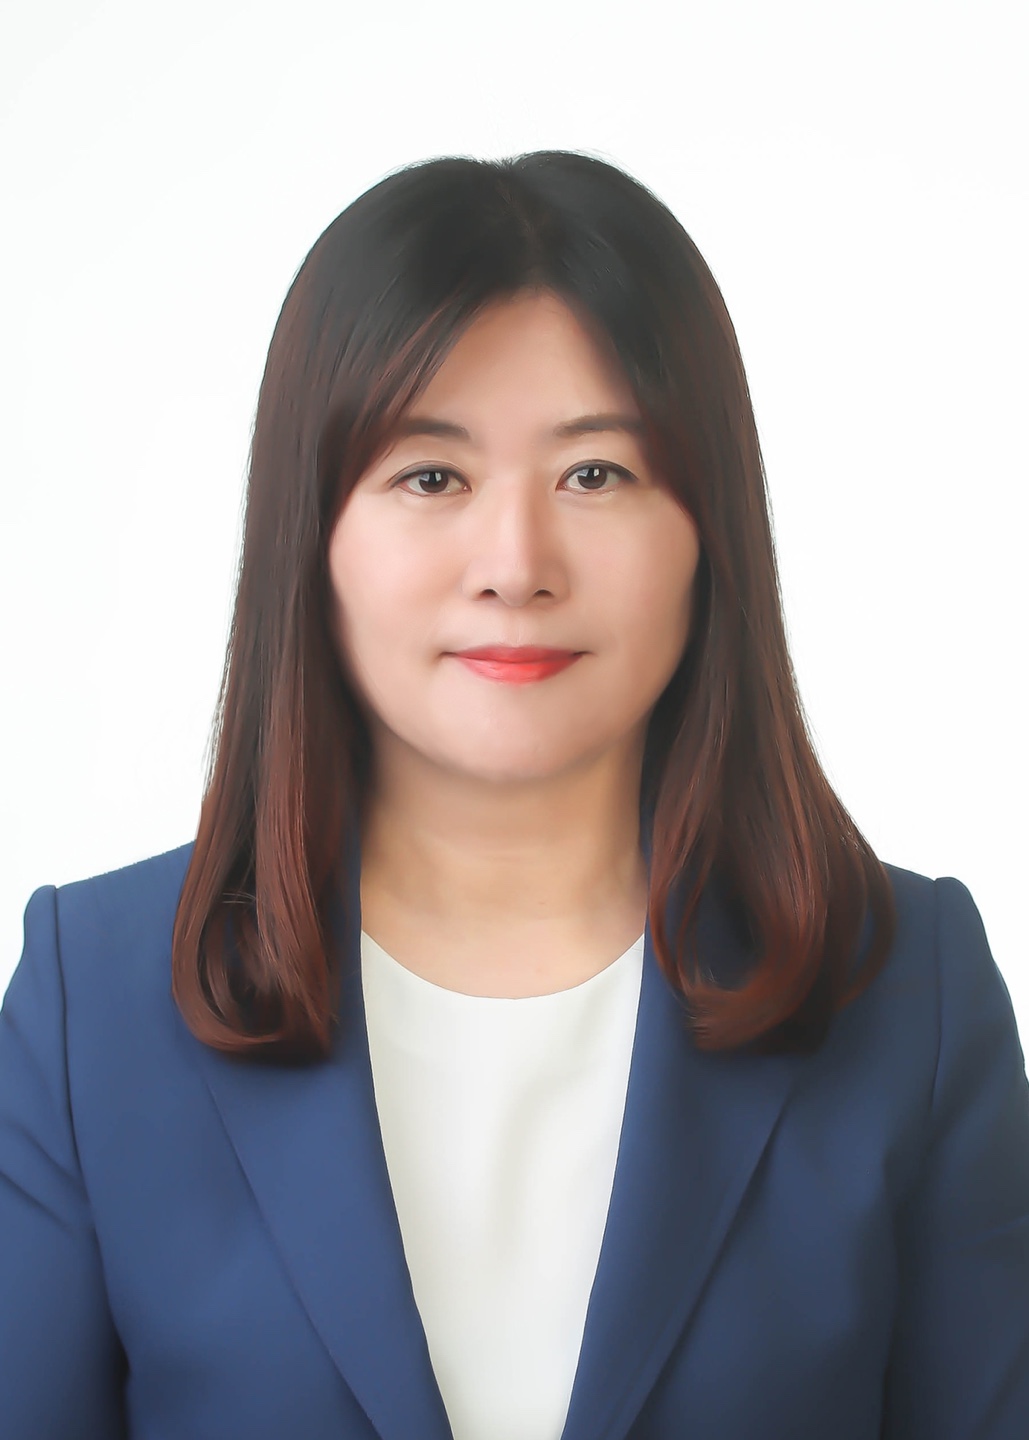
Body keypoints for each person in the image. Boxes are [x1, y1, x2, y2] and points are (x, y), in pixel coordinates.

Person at [1, 150, 1027, 1440]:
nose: (516, 563)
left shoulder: (903, 989)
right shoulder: (95, 1002)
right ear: (312, 535)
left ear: (708, 531)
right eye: (430, 476)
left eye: (595, 473)